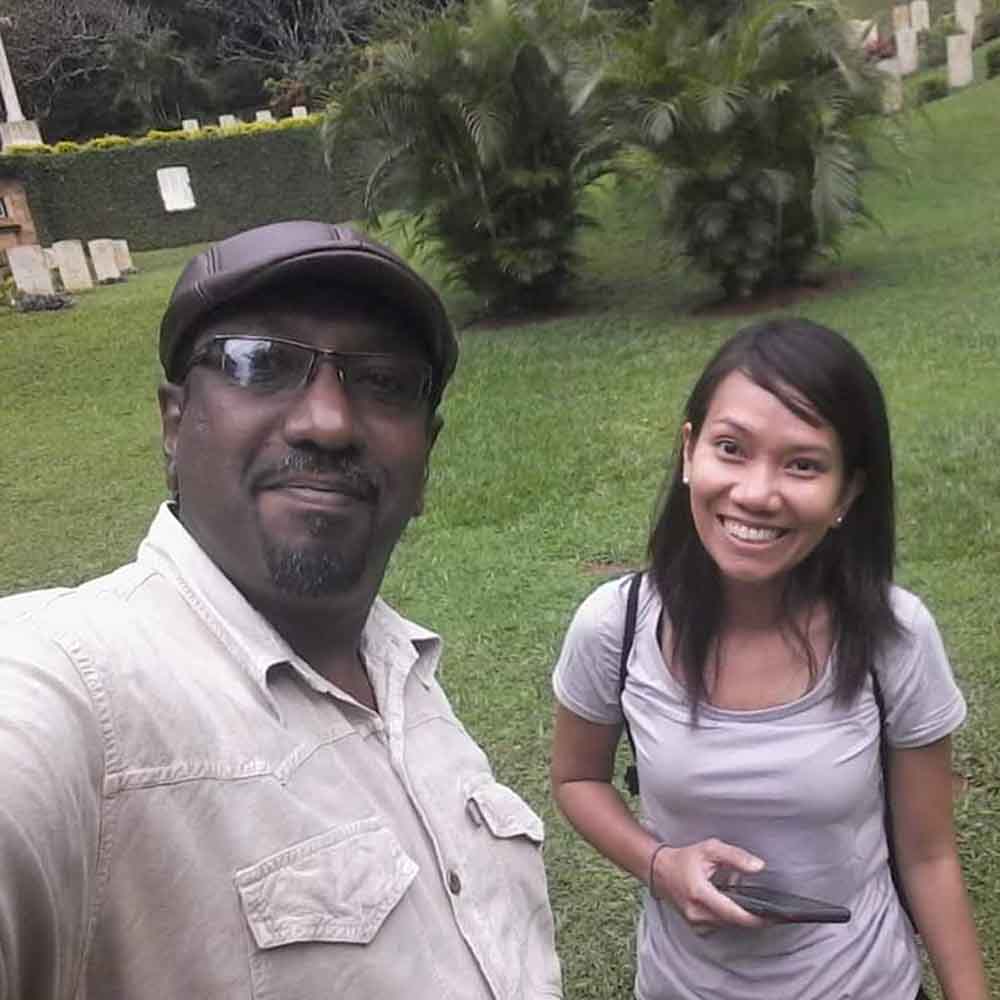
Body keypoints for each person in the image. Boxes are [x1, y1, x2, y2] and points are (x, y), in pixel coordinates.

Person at [0, 220, 561, 1000]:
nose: (327, 423)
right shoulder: (78, 688)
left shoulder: (405, 669)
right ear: (173, 423)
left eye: (385, 381)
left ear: (425, 455)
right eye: (259, 363)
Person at [550, 318, 987, 1000]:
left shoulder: (893, 635)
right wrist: (660, 864)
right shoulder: (618, 625)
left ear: (847, 493)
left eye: (803, 464)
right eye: (732, 448)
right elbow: (578, 781)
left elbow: (930, 856)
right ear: (689, 452)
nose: (757, 492)